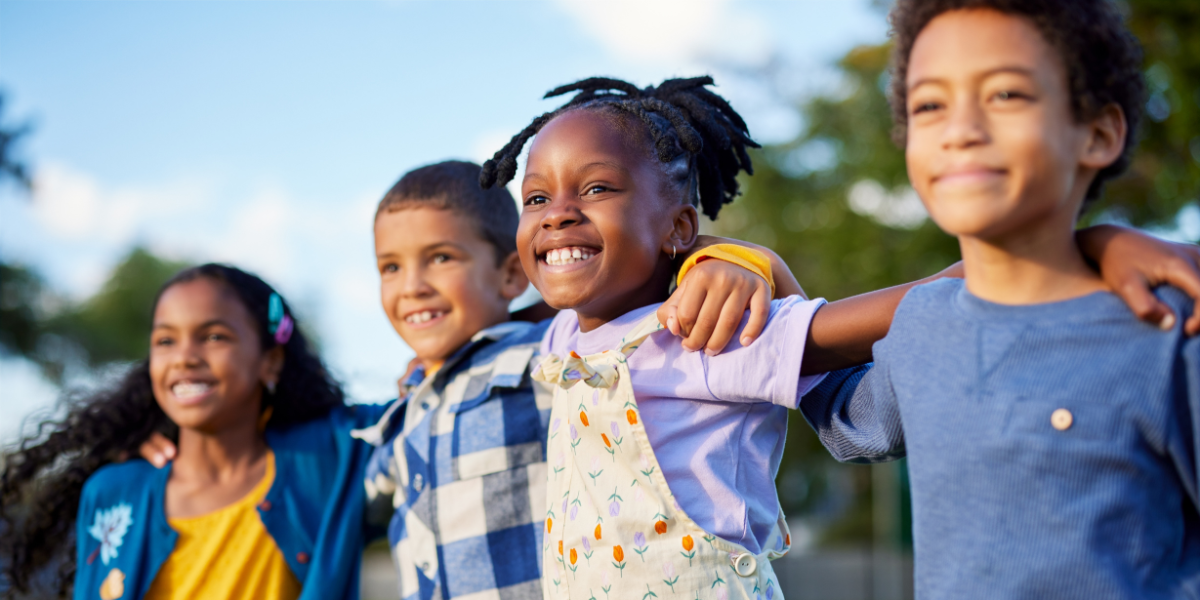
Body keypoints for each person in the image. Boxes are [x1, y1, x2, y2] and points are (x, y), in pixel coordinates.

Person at [478, 74, 1200, 599]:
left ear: (678, 227)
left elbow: (914, 303)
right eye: (536, 197)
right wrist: (731, 252)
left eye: (596, 188)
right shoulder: (560, 334)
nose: (558, 213)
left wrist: (1077, 251)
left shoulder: (713, 332)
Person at [798, 1, 1200, 598]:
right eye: (930, 105)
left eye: (1006, 94)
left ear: (1098, 134)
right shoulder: (919, 328)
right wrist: (756, 269)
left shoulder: (1167, 326)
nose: (960, 130)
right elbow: (838, 415)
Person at [342, 160, 788, 600]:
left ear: (511, 274)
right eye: (390, 267)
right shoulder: (402, 412)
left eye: (441, 258)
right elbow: (352, 507)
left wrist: (716, 260)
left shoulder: (546, 355)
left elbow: (613, 306)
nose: (412, 286)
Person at [0, 265, 386, 600]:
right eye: (165, 340)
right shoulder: (114, 492)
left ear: (270, 362)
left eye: (214, 336)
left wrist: (420, 375)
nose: (184, 357)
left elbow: (412, 417)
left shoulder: (329, 456)